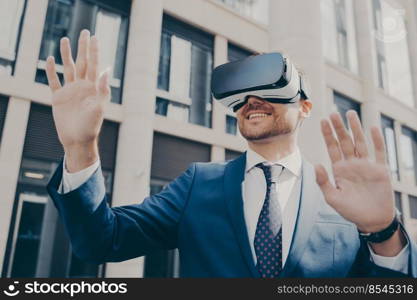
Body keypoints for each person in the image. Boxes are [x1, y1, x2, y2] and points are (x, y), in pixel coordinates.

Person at [45, 30, 416, 277]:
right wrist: (80, 148)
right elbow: (100, 241)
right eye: (240, 95)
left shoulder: (342, 197)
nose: (250, 101)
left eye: (267, 87)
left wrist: (382, 232)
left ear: (304, 106)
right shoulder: (198, 183)